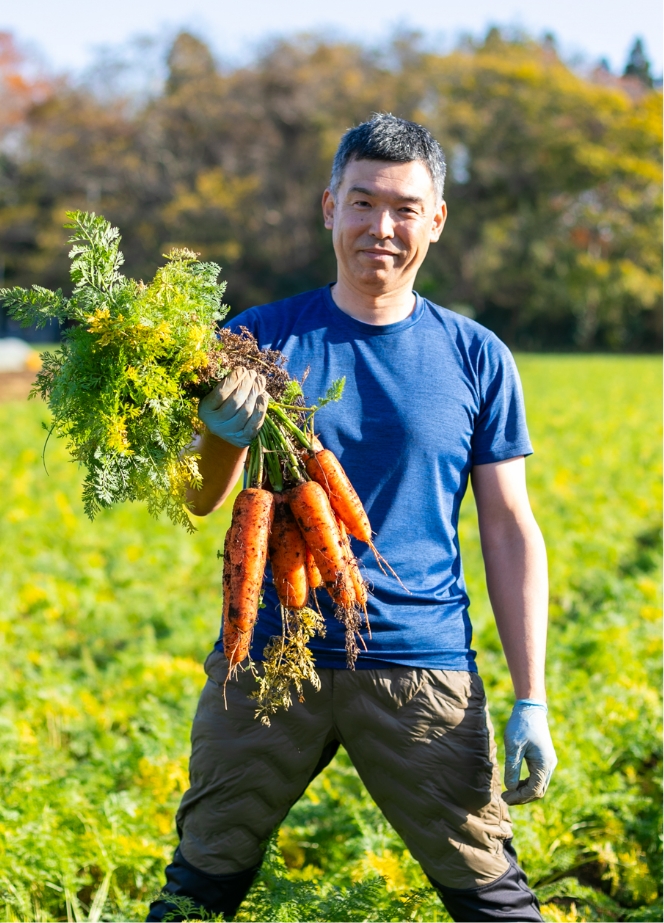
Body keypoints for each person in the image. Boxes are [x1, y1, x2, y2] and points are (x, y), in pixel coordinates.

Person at [148, 113, 557, 923]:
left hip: (419, 664)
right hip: (266, 659)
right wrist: (223, 439)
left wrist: (532, 696)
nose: (382, 227)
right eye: (364, 202)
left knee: (493, 900)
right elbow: (200, 499)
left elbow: (510, 526)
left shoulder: (476, 355)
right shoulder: (258, 338)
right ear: (328, 205)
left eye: (405, 208)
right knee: (199, 884)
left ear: (435, 221)